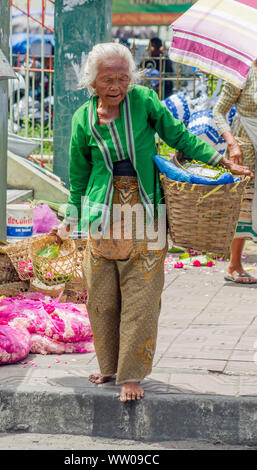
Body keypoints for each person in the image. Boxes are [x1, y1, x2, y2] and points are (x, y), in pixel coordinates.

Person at [52, 42, 252, 402]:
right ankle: (110, 365)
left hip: (145, 210)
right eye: (107, 79)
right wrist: (71, 217)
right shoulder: (82, 118)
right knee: (101, 297)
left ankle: (131, 375)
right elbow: (78, 173)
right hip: (102, 214)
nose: (116, 85)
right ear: (92, 82)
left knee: (142, 297)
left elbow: (179, 136)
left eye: (122, 78)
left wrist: (220, 162)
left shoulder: (144, 101)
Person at [213, 60, 257, 284]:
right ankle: (234, 265)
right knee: (244, 206)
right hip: (246, 148)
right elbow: (218, 111)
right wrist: (232, 144)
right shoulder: (242, 74)